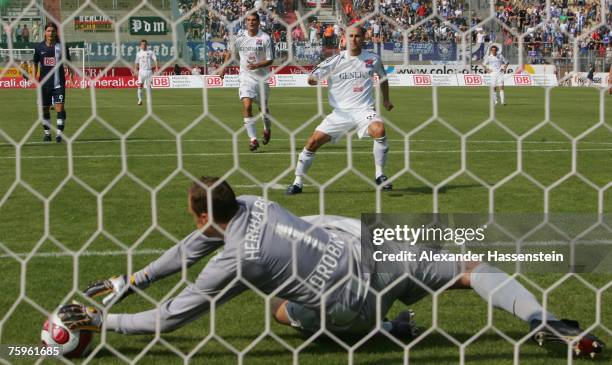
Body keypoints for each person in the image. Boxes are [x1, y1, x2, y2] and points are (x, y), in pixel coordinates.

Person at [58, 176, 604, 359]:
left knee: (277, 310)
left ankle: (384, 328)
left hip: (348, 300)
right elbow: (188, 249)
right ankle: (544, 320)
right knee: (469, 268)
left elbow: (171, 320)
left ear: (202, 213)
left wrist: (100, 322)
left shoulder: (235, 262)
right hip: (369, 248)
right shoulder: (250, 202)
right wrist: (134, 279)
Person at [286, 25, 394, 195]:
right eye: (350, 36)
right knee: (312, 143)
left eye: (357, 36)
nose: (353, 39)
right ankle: (297, 182)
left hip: (363, 110)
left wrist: (386, 99)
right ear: (344, 38)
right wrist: (313, 79)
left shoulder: (373, 59)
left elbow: (383, 78)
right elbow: (312, 77)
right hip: (340, 114)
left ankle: (380, 175)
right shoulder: (334, 61)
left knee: (379, 130)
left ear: (364, 38)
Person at [218, 13, 274, 152]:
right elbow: (230, 52)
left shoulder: (265, 38)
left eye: (254, 20)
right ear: (245, 22)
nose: (251, 22)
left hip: (261, 78)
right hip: (245, 77)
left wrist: (257, 65)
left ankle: (267, 129)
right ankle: (253, 139)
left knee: (264, 111)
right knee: (247, 106)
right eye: (248, 20)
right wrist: (224, 67)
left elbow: (270, 60)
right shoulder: (240, 37)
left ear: (258, 22)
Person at [33, 23, 72, 143]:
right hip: (44, 85)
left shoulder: (61, 46)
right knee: (44, 109)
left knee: (59, 107)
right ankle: (47, 133)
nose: (51, 33)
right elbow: (35, 63)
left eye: (53, 31)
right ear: (45, 32)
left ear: (56, 33)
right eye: (49, 31)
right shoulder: (39, 47)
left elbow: (68, 62)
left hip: (58, 83)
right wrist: (34, 77)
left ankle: (59, 135)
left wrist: (70, 76)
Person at [134, 39, 158, 106]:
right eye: (142, 44)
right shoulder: (138, 53)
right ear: (140, 46)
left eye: (145, 44)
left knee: (149, 87)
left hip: (149, 71)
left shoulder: (150, 52)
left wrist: (156, 67)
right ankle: (140, 100)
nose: (143, 46)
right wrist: (135, 69)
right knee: (140, 86)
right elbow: (136, 62)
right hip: (141, 71)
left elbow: (155, 59)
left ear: (147, 45)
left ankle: (148, 100)